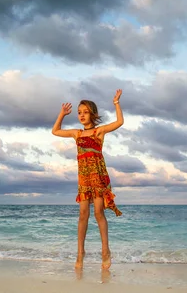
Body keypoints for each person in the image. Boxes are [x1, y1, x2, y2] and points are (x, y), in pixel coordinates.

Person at [51, 89, 124, 270]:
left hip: (98, 177)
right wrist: (61, 114)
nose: (81, 115)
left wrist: (116, 103)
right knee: (83, 214)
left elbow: (120, 122)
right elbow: (55, 131)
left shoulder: (99, 132)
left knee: (99, 212)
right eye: (79, 113)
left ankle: (105, 251)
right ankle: (80, 253)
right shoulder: (77, 134)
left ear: (92, 113)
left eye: (85, 112)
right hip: (83, 179)